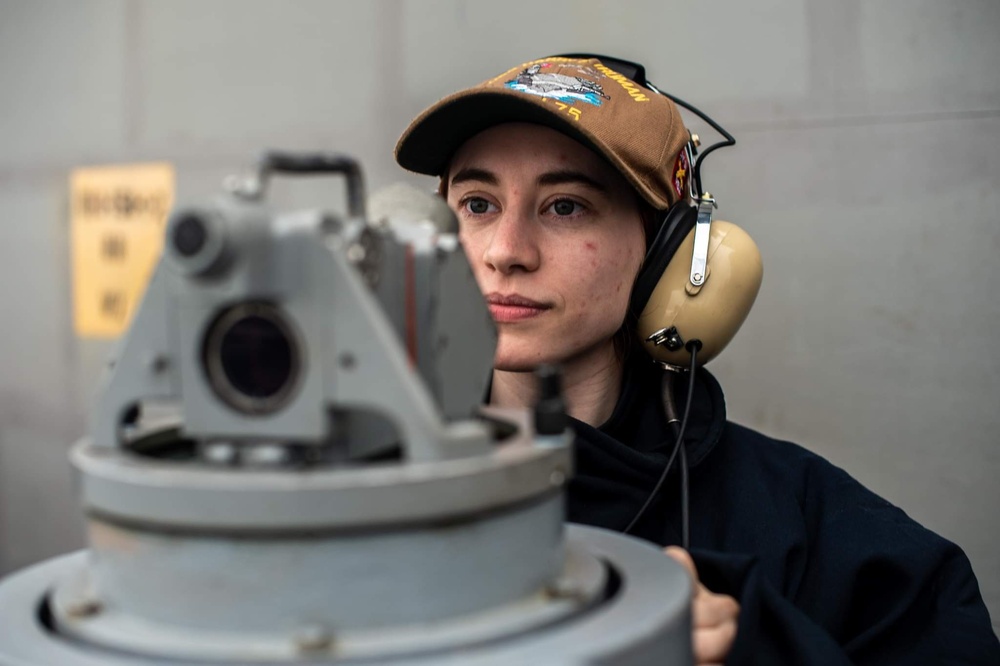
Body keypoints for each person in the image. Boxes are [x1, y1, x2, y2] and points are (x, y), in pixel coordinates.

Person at [394, 55, 1000, 664]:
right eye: (477, 204)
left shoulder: (808, 526)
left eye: (566, 206)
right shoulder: (351, 486)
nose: (506, 252)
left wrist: (761, 647)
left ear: (669, 253)